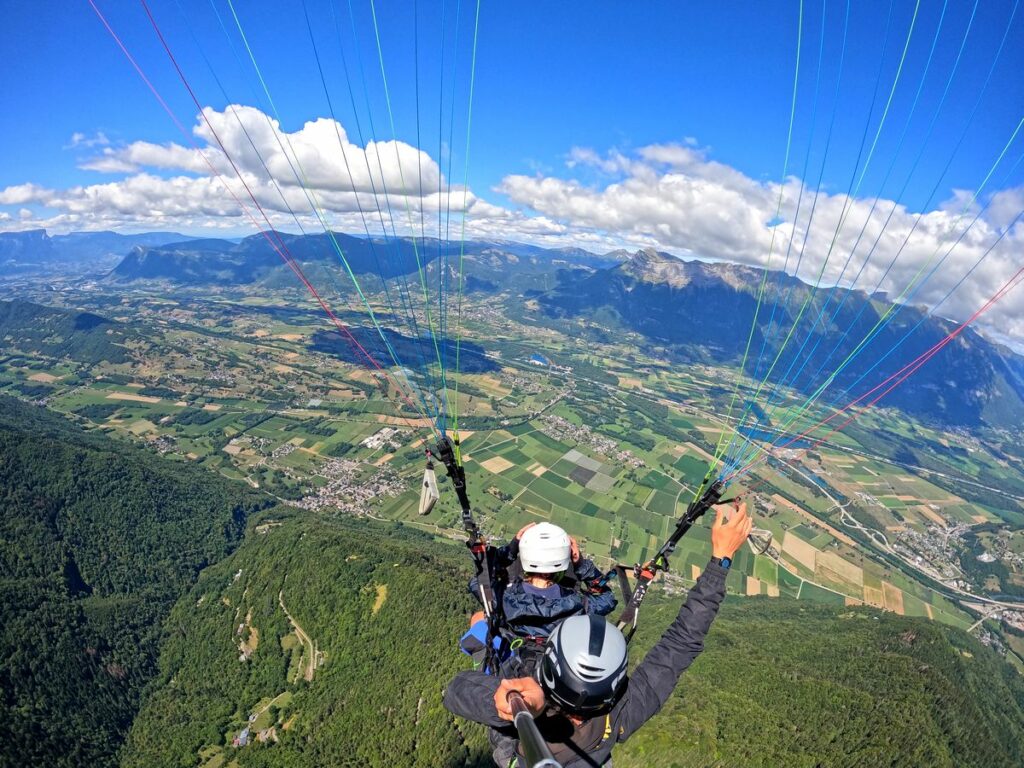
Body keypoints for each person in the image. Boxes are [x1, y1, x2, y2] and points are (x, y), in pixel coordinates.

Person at [445, 502, 752, 767]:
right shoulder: (620, 714)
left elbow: (457, 691)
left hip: (512, 689)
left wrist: (506, 702)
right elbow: (681, 643)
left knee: (480, 623)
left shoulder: (522, 701)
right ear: (613, 684)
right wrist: (720, 560)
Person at [460, 521, 617, 672]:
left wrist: (510, 550)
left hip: (513, 660)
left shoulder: (504, 598)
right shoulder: (577, 604)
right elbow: (607, 598)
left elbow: (478, 581)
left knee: (479, 618)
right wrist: (581, 565)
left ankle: (484, 665)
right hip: (555, 663)